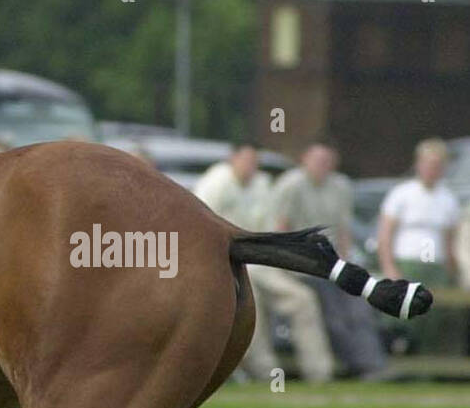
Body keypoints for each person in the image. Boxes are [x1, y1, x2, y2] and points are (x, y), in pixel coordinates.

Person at [194, 143, 333, 384]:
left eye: (254, 161)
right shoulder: (215, 183)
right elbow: (201, 230)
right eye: (246, 160)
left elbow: (271, 229)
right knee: (251, 305)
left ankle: (320, 373)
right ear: (233, 159)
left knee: (303, 301)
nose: (250, 166)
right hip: (226, 265)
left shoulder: (262, 184)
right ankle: (266, 373)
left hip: (261, 263)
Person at [270, 141, 387, 380]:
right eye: (318, 160)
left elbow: (343, 231)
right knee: (333, 311)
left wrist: (348, 268)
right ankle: (360, 365)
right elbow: (281, 229)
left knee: (359, 303)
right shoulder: (291, 186)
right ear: (304, 159)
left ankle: (373, 363)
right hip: (301, 265)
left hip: (333, 265)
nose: (323, 166)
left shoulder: (341, 186)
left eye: (327, 161)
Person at [378, 138, 461, 356]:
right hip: (407, 263)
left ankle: (425, 361)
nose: (432, 170)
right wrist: (389, 266)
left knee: (430, 317)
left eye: (438, 165)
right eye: (429, 164)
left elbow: (450, 239)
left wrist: (452, 270)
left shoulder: (448, 199)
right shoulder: (402, 194)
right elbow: (385, 234)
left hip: (435, 266)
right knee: (401, 312)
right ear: (418, 164)